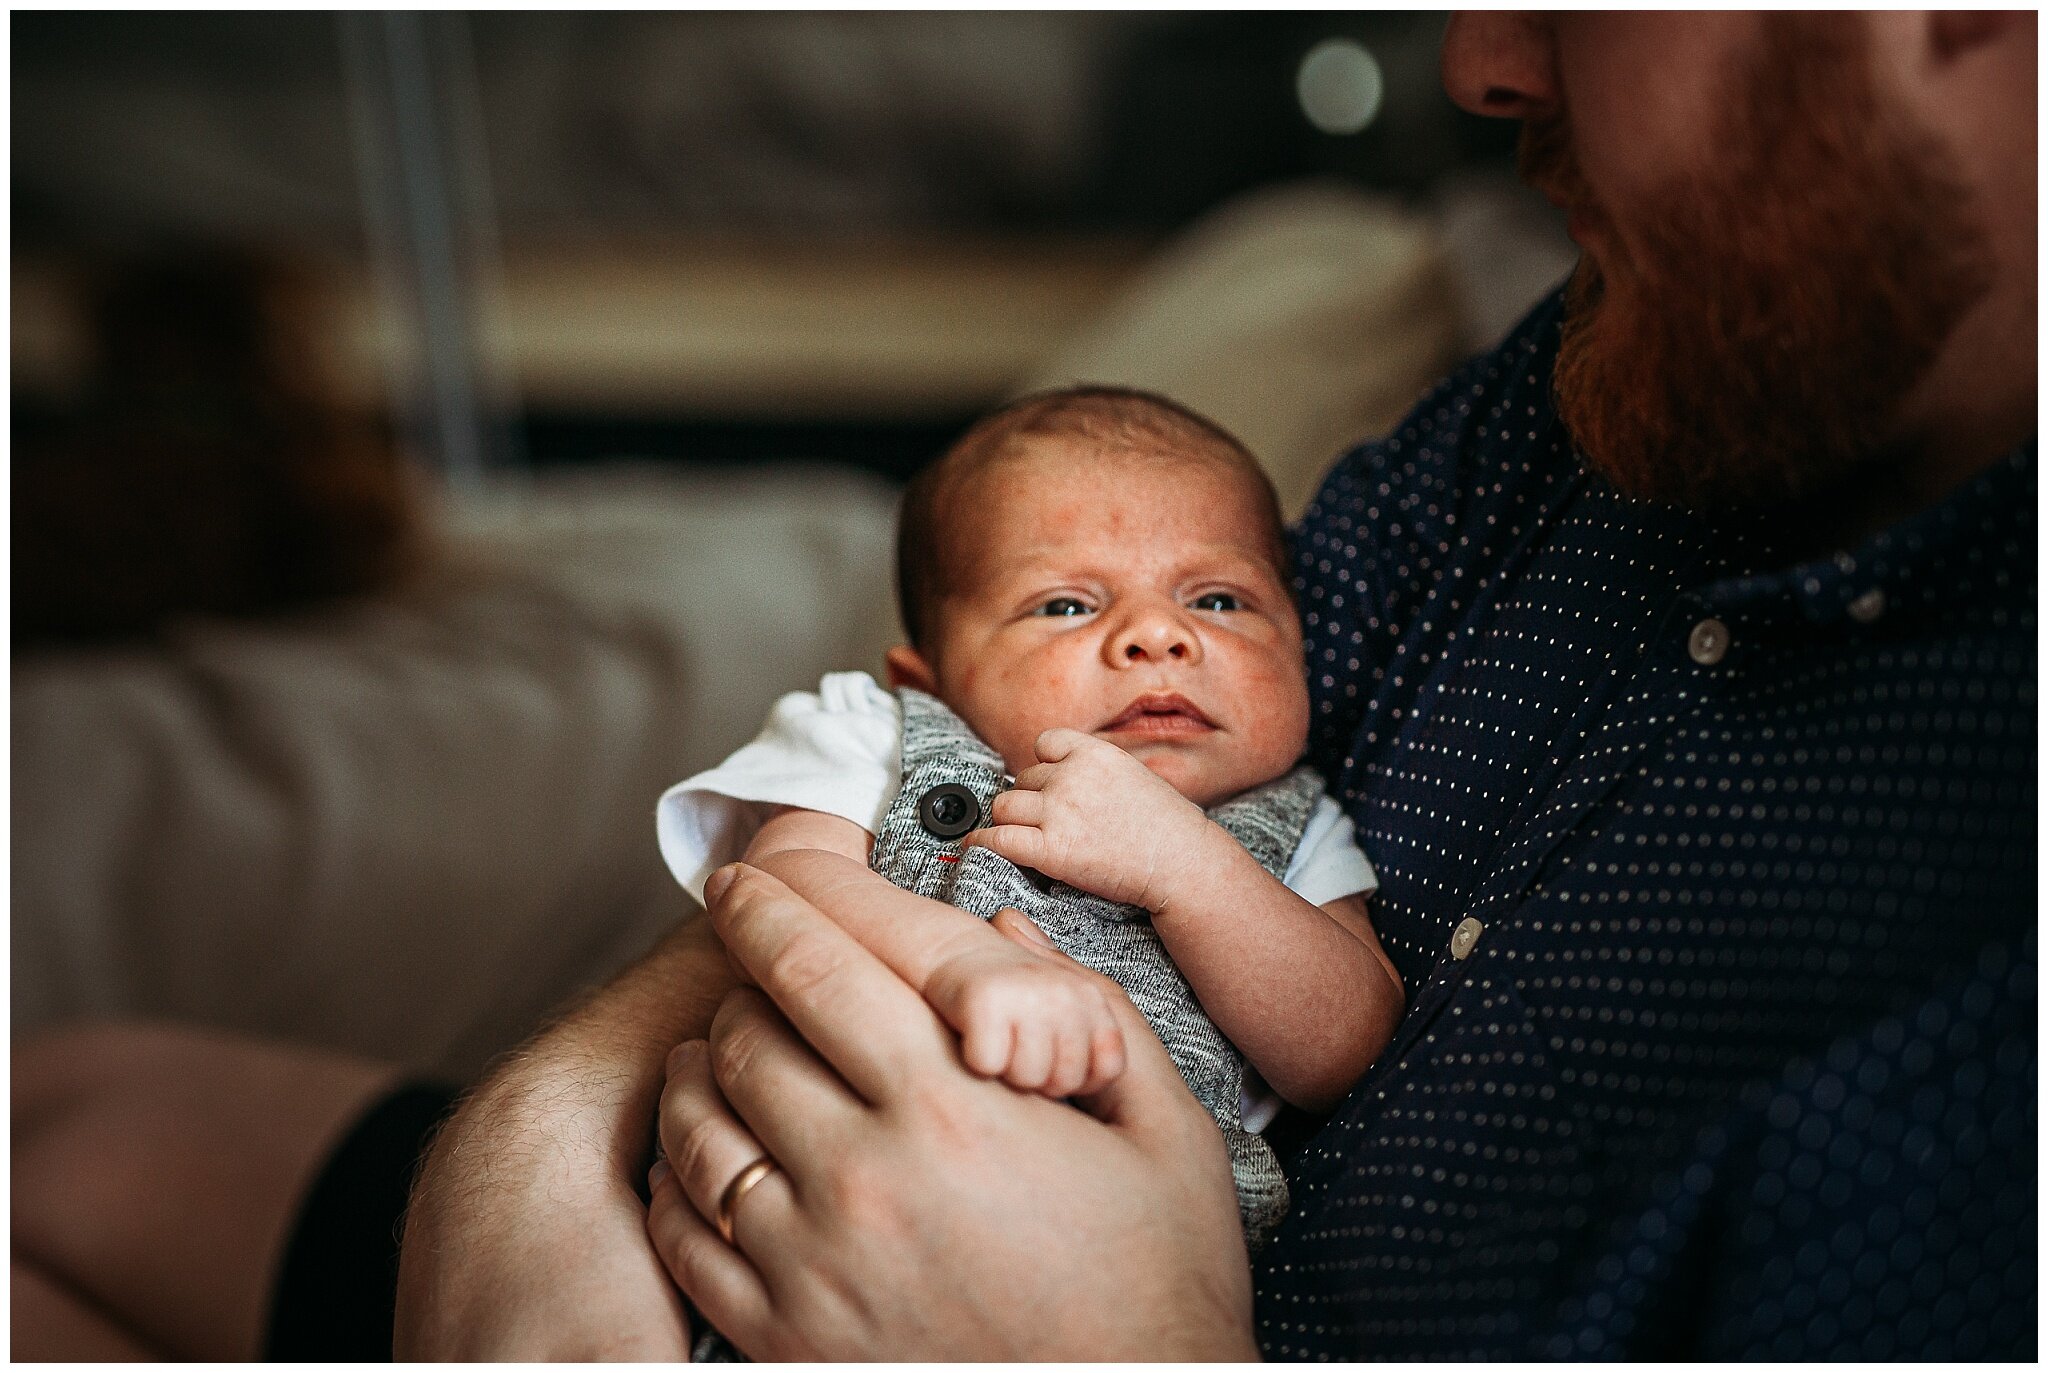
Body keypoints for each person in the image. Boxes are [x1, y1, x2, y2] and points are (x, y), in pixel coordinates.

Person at [11, 11, 2034, 1361]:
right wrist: (529, 1166)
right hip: (701, 1218)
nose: (1478, 61)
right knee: (55, 1125)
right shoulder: (1606, 391)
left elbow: (1318, 999)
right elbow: (889, 793)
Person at [655, 388, 1402, 1308]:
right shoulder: (882, 737)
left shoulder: (1295, 823)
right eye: (1064, 604)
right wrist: (956, 958)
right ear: (931, 677)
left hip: (1140, 1278)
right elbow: (778, 886)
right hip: (816, 1215)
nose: (1158, 635)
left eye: (1217, 598)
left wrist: (1188, 867)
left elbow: (1350, 1045)